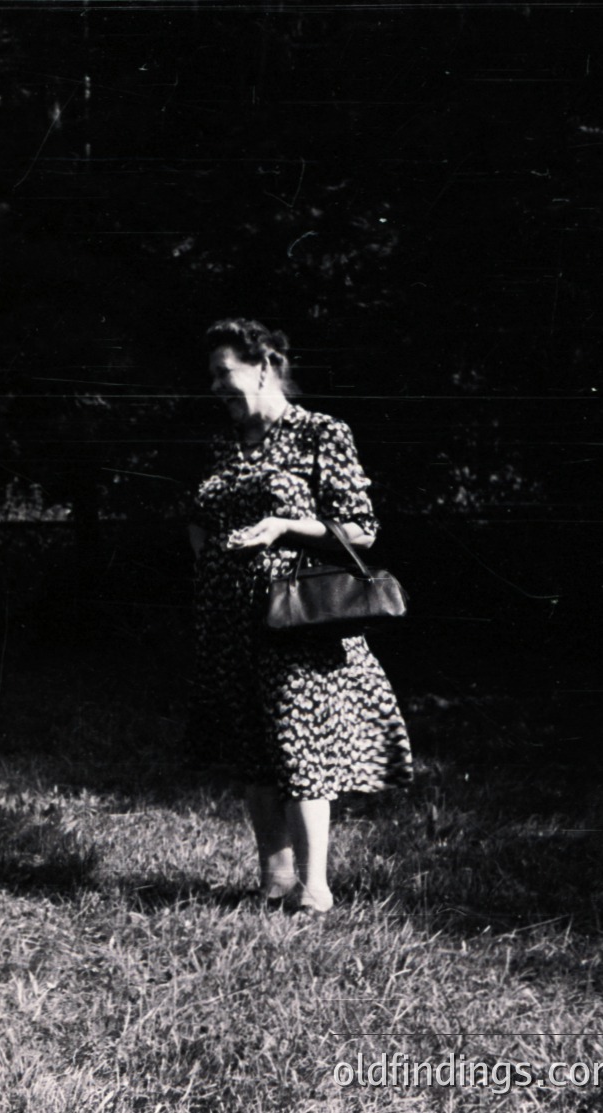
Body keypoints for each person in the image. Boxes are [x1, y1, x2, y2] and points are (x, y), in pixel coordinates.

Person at [187, 318, 411, 915]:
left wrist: (285, 527)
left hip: (294, 619)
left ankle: (315, 889)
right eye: (210, 376)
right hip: (228, 618)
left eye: (223, 373)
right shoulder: (224, 444)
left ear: (264, 365)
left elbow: (360, 529)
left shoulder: (320, 433)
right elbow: (199, 513)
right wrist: (209, 559)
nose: (214, 387)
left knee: (298, 747)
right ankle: (275, 882)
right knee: (254, 746)